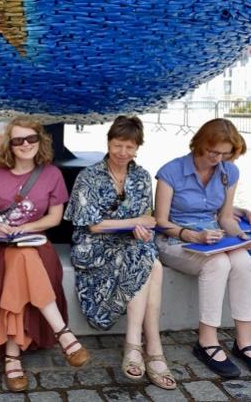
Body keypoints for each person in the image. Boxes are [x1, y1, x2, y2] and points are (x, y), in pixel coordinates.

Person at [0, 117, 89, 393]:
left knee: (22, 257)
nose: (25, 144)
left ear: (40, 141)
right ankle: (62, 333)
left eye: (31, 139)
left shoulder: (50, 174)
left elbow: (54, 218)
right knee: (21, 260)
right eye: (18, 140)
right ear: (9, 144)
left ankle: (12, 354)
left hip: (32, 240)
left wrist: (26, 227)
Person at [65, 115, 176, 390]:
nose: (123, 153)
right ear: (108, 142)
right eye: (118, 145)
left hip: (128, 243)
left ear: (138, 147)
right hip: (94, 248)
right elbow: (93, 225)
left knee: (150, 260)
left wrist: (141, 229)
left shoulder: (141, 176)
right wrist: (133, 223)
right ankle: (148, 348)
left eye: (130, 147)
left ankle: (138, 347)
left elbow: (148, 220)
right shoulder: (88, 176)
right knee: (149, 262)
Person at [155, 118, 251, 378]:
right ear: (200, 144)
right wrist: (193, 236)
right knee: (218, 263)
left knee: (243, 260)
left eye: (224, 154)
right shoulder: (171, 171)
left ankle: (244, 341)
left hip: (213, 238)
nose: (217, 158)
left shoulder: (228, 171)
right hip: (176, 240)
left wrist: (242, 236)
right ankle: (207, 341)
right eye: (212, 152)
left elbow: (226, 218)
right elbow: (161, 223)